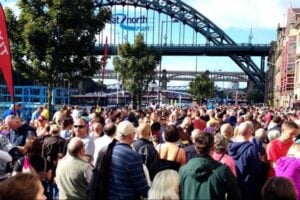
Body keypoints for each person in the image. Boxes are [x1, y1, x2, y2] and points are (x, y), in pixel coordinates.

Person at [179, 132, 241, 200]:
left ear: (195, 148)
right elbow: (235, 195)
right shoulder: (222, 171)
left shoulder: (183, 170)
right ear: (213, 147)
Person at [106, 121, 149, 200]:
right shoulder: (133, 156)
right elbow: (142, 188)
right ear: (130, 136)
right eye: (134, 133)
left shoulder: (109, 150)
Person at [228, 122, 263, 200]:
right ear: (250, 132)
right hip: (247, 184)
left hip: (234, 182)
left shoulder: (230, 146)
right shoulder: (251, 148)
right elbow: (256, 169)